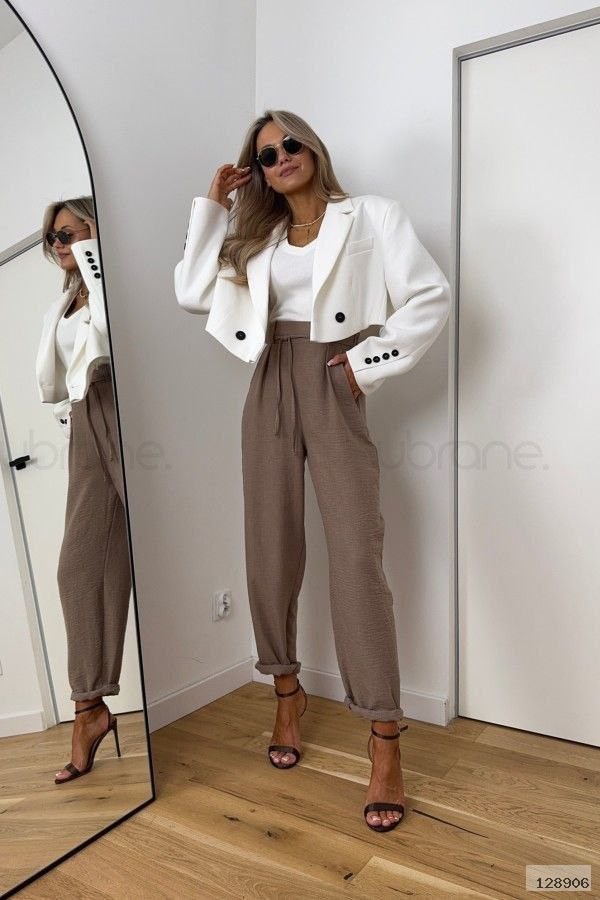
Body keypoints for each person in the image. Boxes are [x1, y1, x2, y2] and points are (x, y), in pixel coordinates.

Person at [174, 109, 451, 831]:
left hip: (334, 374)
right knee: (270, 547)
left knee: (357, 554)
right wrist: (212, 206)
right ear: (258, 173)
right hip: (268, 377)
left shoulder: (373, 215)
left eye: (290, 144)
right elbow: (191, 291)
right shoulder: (257, 239)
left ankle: (384, 737)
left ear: (313, 148)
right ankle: (286, 693)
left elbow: (430, 295)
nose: (282, 158)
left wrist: (364, 365)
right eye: (267, 155)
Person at [35, 197, 128, 783]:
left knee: (145, 552)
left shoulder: (113, 282)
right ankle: (89, 706)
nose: (61, 244)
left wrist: (95, 255)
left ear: (96, 231)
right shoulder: (63, 303)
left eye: (71, 232)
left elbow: (117, 339)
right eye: (54, 238)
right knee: (80, 567)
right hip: (88, 418)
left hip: (127, 404)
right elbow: (61, 374)